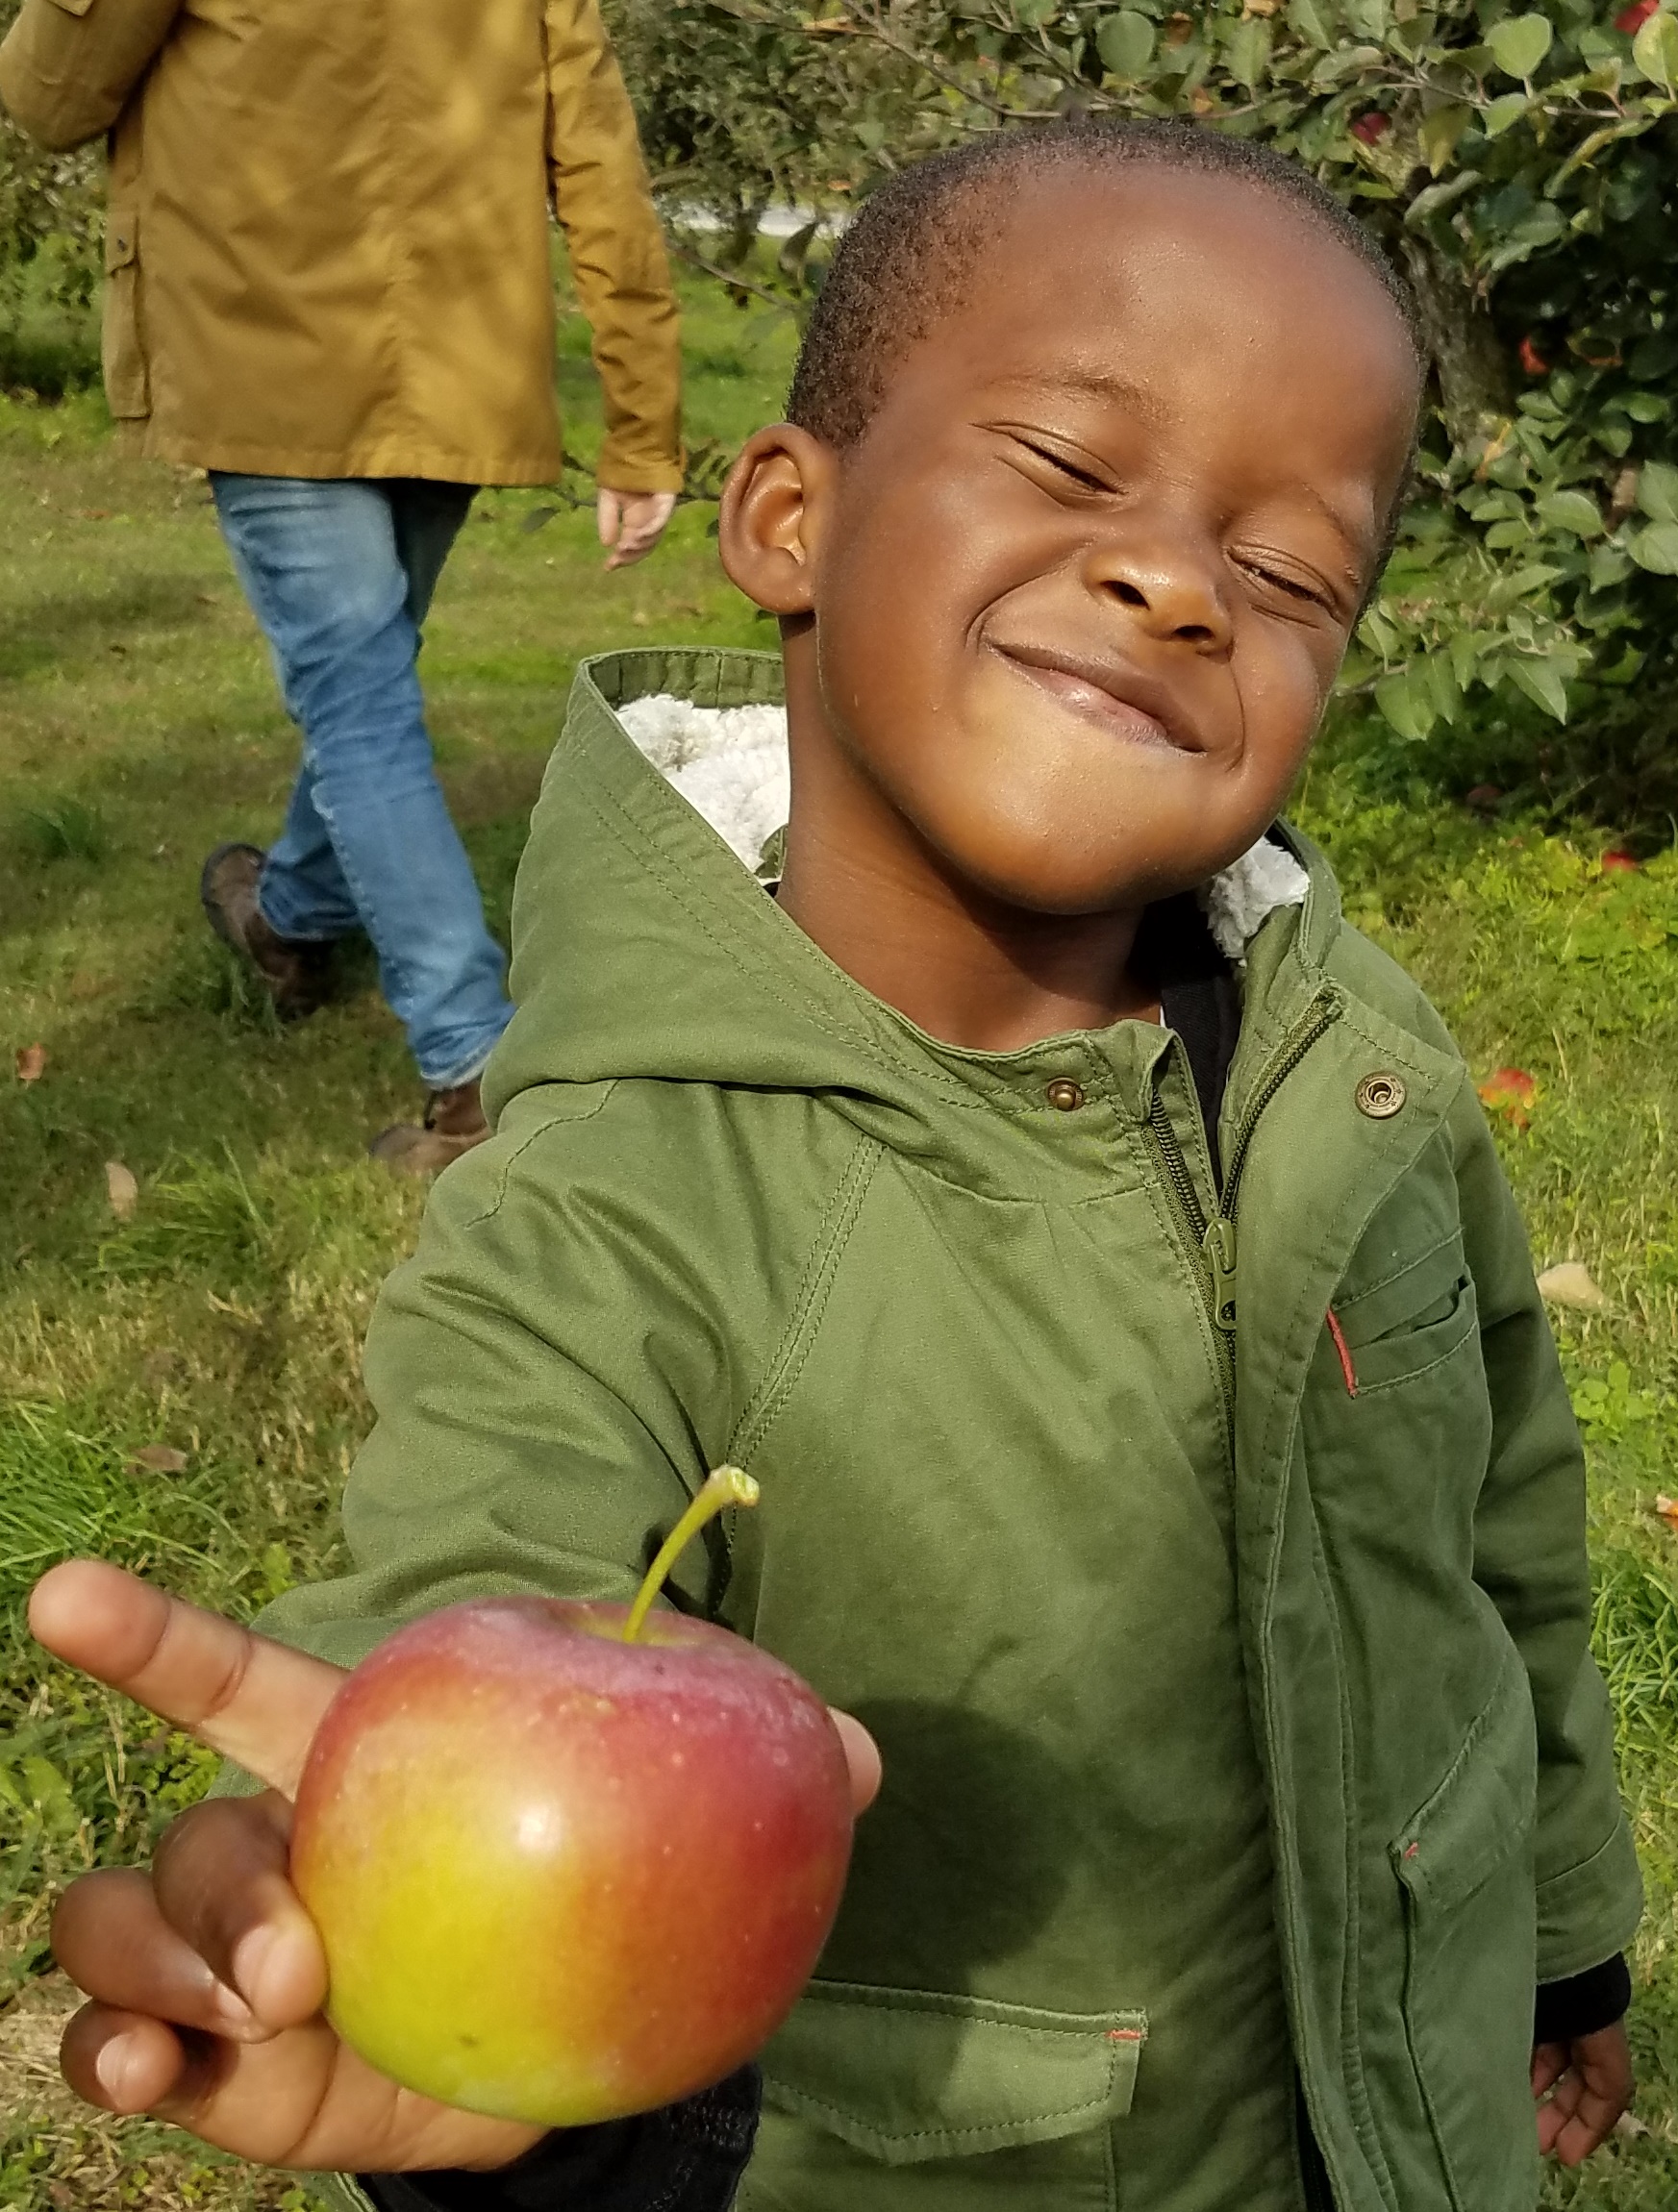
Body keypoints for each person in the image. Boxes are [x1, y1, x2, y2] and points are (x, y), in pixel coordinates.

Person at [26, 121, 1641, 2212]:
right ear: (787, 514)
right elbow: (486, 1588)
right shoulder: (606, 1201)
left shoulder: (1358, 1072)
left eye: (1285, 571)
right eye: (1069, 469)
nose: (1172, 579)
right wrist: (404, 1902)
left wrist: (1555, 1924)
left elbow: (1498, 1525)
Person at [0, 0, 684, 1173]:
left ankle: (478, 1071)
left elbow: (47, 97)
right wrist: (641, 418)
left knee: (357, 707)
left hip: (268, 370)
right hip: (465, 375)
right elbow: (600, 165)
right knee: (364, 681)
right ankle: (288, 917)